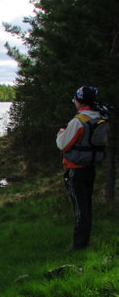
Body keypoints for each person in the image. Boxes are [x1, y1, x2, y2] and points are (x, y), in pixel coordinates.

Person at [56, 85, 104, 250]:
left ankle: (78, 246)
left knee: (80, 210)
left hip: (75, 170)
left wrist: (61, 132)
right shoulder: (98, 118)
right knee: (86, 206)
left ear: (79, 101)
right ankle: (84, 242)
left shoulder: (79, 121)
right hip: (90, 168)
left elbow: (63, 145)